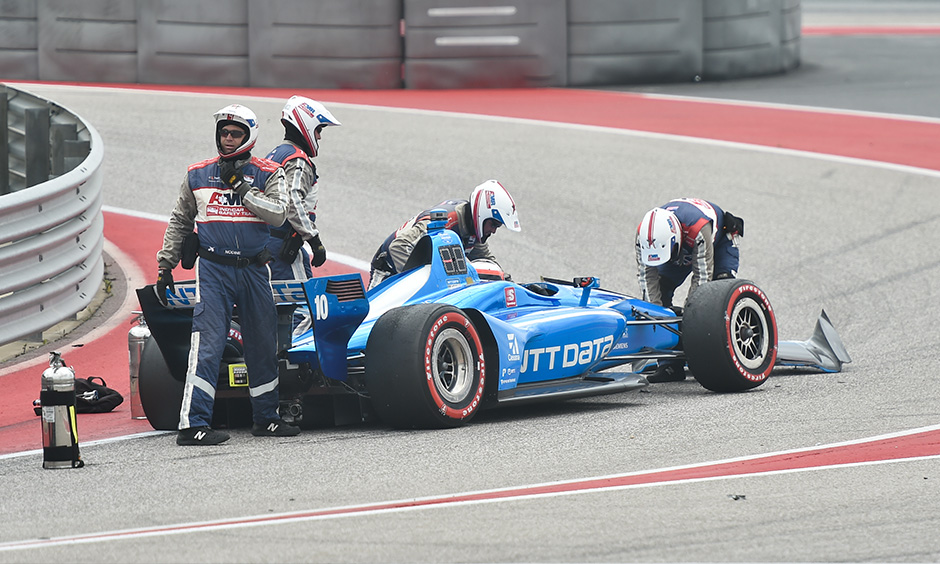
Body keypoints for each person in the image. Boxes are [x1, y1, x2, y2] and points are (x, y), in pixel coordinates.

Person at [155, 103, 300, 445]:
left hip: (254, 270)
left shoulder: (269, 173)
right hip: (214, 270)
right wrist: (165, 265)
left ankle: (267, 418)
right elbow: (179, 221)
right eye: (224, 132)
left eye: (236, 133)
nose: (229, 138)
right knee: (208, 344)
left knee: (263, 345)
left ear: (249, 136)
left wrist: (245, 191)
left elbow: (279, 215)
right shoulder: (197, 174)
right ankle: (193, 425)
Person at [634, 197, 744, 382]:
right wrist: (657, 317)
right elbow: (647, 279)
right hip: (677, 249)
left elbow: (702, 280)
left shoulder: (698, 228)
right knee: (660, 289)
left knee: (719, 290)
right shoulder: (642, 237)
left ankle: (721, 347)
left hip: (716, 243)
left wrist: (692, 324)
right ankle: (669, 366)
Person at [368, 179, 521, 290]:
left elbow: (488, 265)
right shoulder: (444, 221)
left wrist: (512, 285)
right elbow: (398, 247)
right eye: (493, 224)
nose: (494, 230)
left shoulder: (475, 232)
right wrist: (429, 281)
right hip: (387, 272)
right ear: (482, 214)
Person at [265, 96, 341, 282]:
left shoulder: (276, 154)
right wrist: (314, 240)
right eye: (318, 130)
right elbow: (292, 200)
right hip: (282, 244)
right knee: (300, 302)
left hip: (265, 242)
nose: (319, 137)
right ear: (306, 125)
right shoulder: (297, 159)